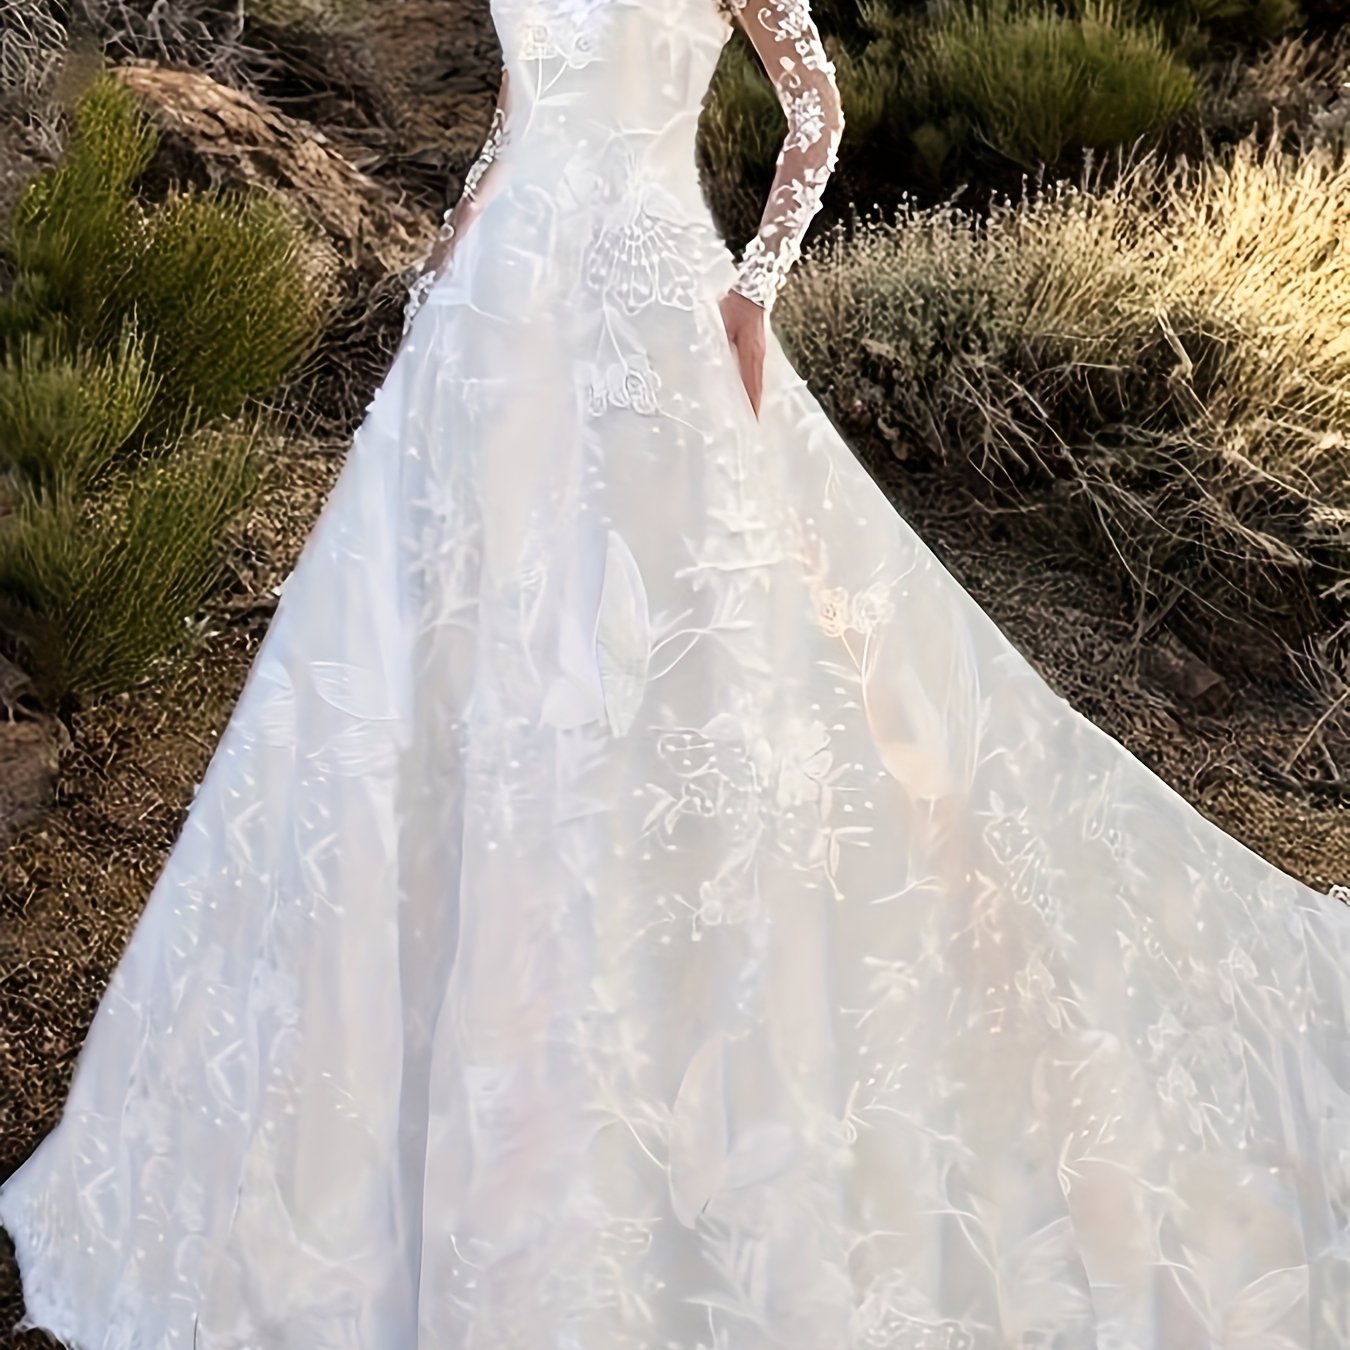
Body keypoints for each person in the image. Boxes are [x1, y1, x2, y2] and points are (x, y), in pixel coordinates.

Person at [3, 0, 1349, 1344]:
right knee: (446, 669)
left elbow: (814, 106)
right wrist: (461, 235)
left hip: (648, 317)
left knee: (671, 659)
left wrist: (753, 286)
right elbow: (529, 115)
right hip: (494, 321)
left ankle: (675, 1050)